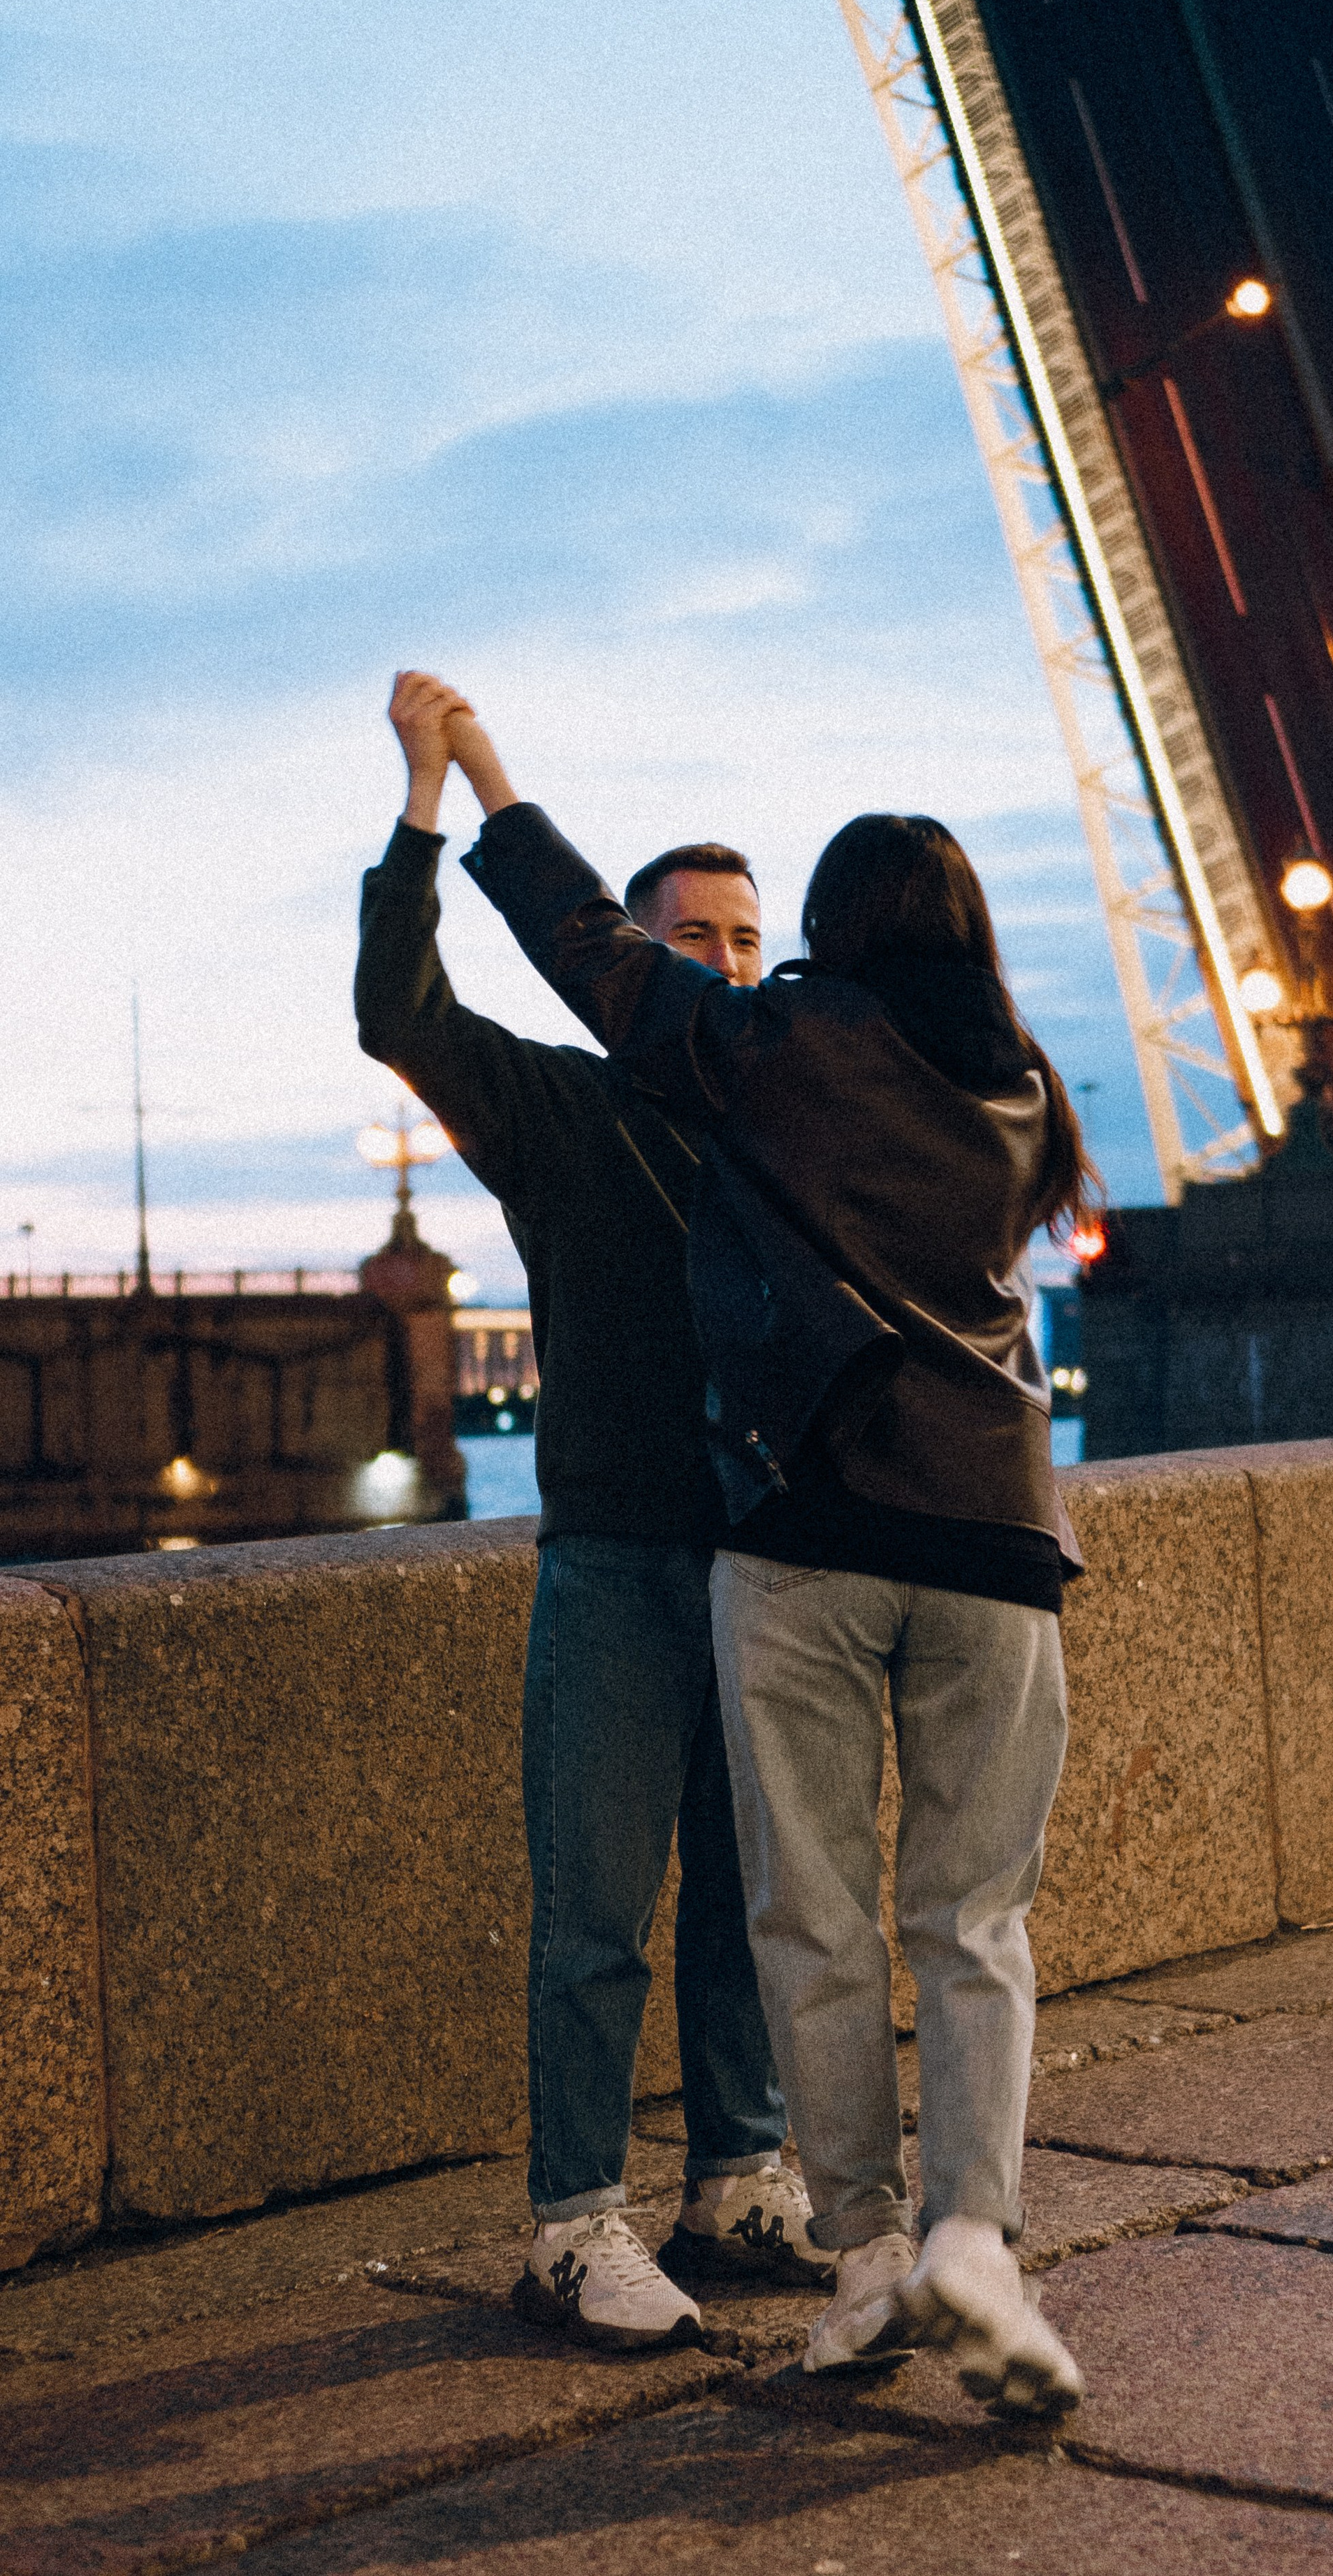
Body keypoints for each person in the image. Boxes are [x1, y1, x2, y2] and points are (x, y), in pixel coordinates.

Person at [435, 679, 1095, 2420]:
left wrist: (489, 783)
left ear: (821, 938)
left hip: (807, 1532)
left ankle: (873, 2254)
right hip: (1000, 1538)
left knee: (811, 1920)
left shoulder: (785, 1056)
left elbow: (591, 955)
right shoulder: (1022, 1091)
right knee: (975, 1927)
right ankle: (974, 2248)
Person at [358, 669, 831, 2353]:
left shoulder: (785, 1118)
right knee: (594, 1916)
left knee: (747, 1901)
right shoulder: (564, 1110)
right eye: (685, 938)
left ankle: (740, 2179)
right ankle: (573, 2224)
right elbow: (398, 1007)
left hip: (772, 1561)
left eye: (739, 940)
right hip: (621, 1560)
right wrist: (437, 800)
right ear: (625, 959)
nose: (717, 965)